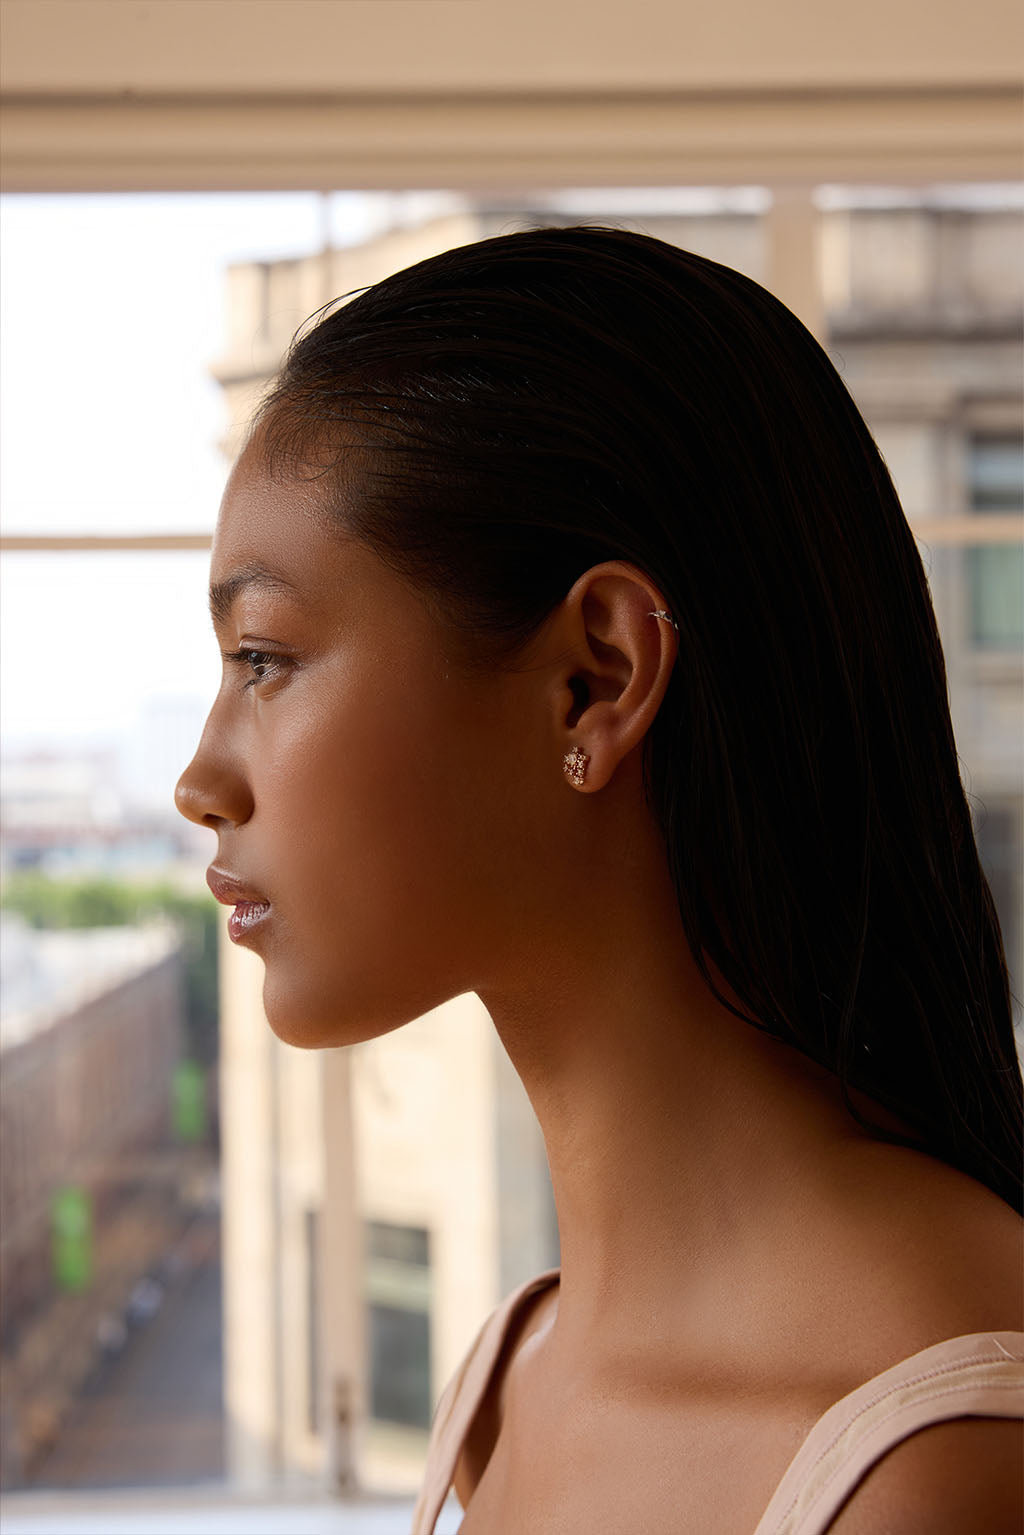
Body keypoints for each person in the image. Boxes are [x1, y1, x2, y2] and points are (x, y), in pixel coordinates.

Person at [175, 226, 1024, 1533]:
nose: (201, 780)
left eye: (265, 657)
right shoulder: (512, 1372)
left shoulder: (940, 1453)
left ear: (599, 678)